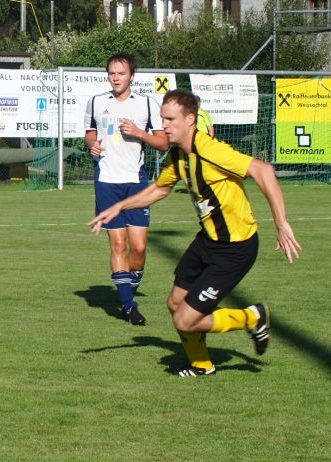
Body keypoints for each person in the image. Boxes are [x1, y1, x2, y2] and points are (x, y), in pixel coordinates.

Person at [88, 89, 301, 377]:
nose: (164, 125)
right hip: (208, 241)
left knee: (185, 320)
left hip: (235, 247)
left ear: (190, 120)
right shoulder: (178, 153)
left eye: (170, 119)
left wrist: (281, 223)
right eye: (162, 119)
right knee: (175, 304)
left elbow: (263, 170)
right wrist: (119, 207)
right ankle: (202, 365)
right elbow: (160, 189)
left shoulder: (209, 149)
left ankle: (252, 317)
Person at [84, 53, 169, 325]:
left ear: (132, 75)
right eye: (111, 73)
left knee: (139, 249)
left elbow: (163, 143)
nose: (116, 78)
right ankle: (129, 307)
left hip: (136, 182)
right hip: (107, 182)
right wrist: (92, 144)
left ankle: (126, 295)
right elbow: (90, 132)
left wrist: (139, 133)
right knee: (118, 244)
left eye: (121, 73)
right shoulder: (97, 102)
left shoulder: (147, 103)